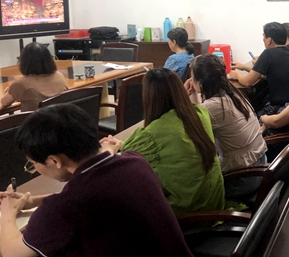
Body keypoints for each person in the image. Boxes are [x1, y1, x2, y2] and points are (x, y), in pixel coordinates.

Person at [0, 104, 193, 257]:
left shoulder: (66, 207)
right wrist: (34, 201)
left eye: (33, 164)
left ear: (54, 161)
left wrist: (8, 212)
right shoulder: (135, 161)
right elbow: (96, 196)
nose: (35, 168)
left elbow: (13, 253)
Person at [103, 68, 224, 216]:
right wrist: (122, 145)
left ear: (149, 97)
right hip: (212, 203)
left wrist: (109, 150)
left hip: (186, 214)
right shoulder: (199, 113)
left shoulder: (151, 134)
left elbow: (119, 166)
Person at [190, 54, 267, 197]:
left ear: (200, 82)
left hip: (241, 179)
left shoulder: (212, 107)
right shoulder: (233, 93)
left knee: (190, 183)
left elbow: (188, 124)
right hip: (259, 165)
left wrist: (185, 93)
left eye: (192, 78)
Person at [230, 22, 289, 116]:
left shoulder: (268, 53)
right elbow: (272, 75)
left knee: (250, 115)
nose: (263, 40)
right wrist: (244, 67)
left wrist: (237, 74)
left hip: (280, 108)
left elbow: (247, 82)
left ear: (269, 40)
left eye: (264, 37)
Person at [1, 42, 67, 112]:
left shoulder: (21, 83)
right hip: (58, 117)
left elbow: (4, 103)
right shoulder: (59, 76)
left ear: (24, 62)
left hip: (34, 118)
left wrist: (11, 91)